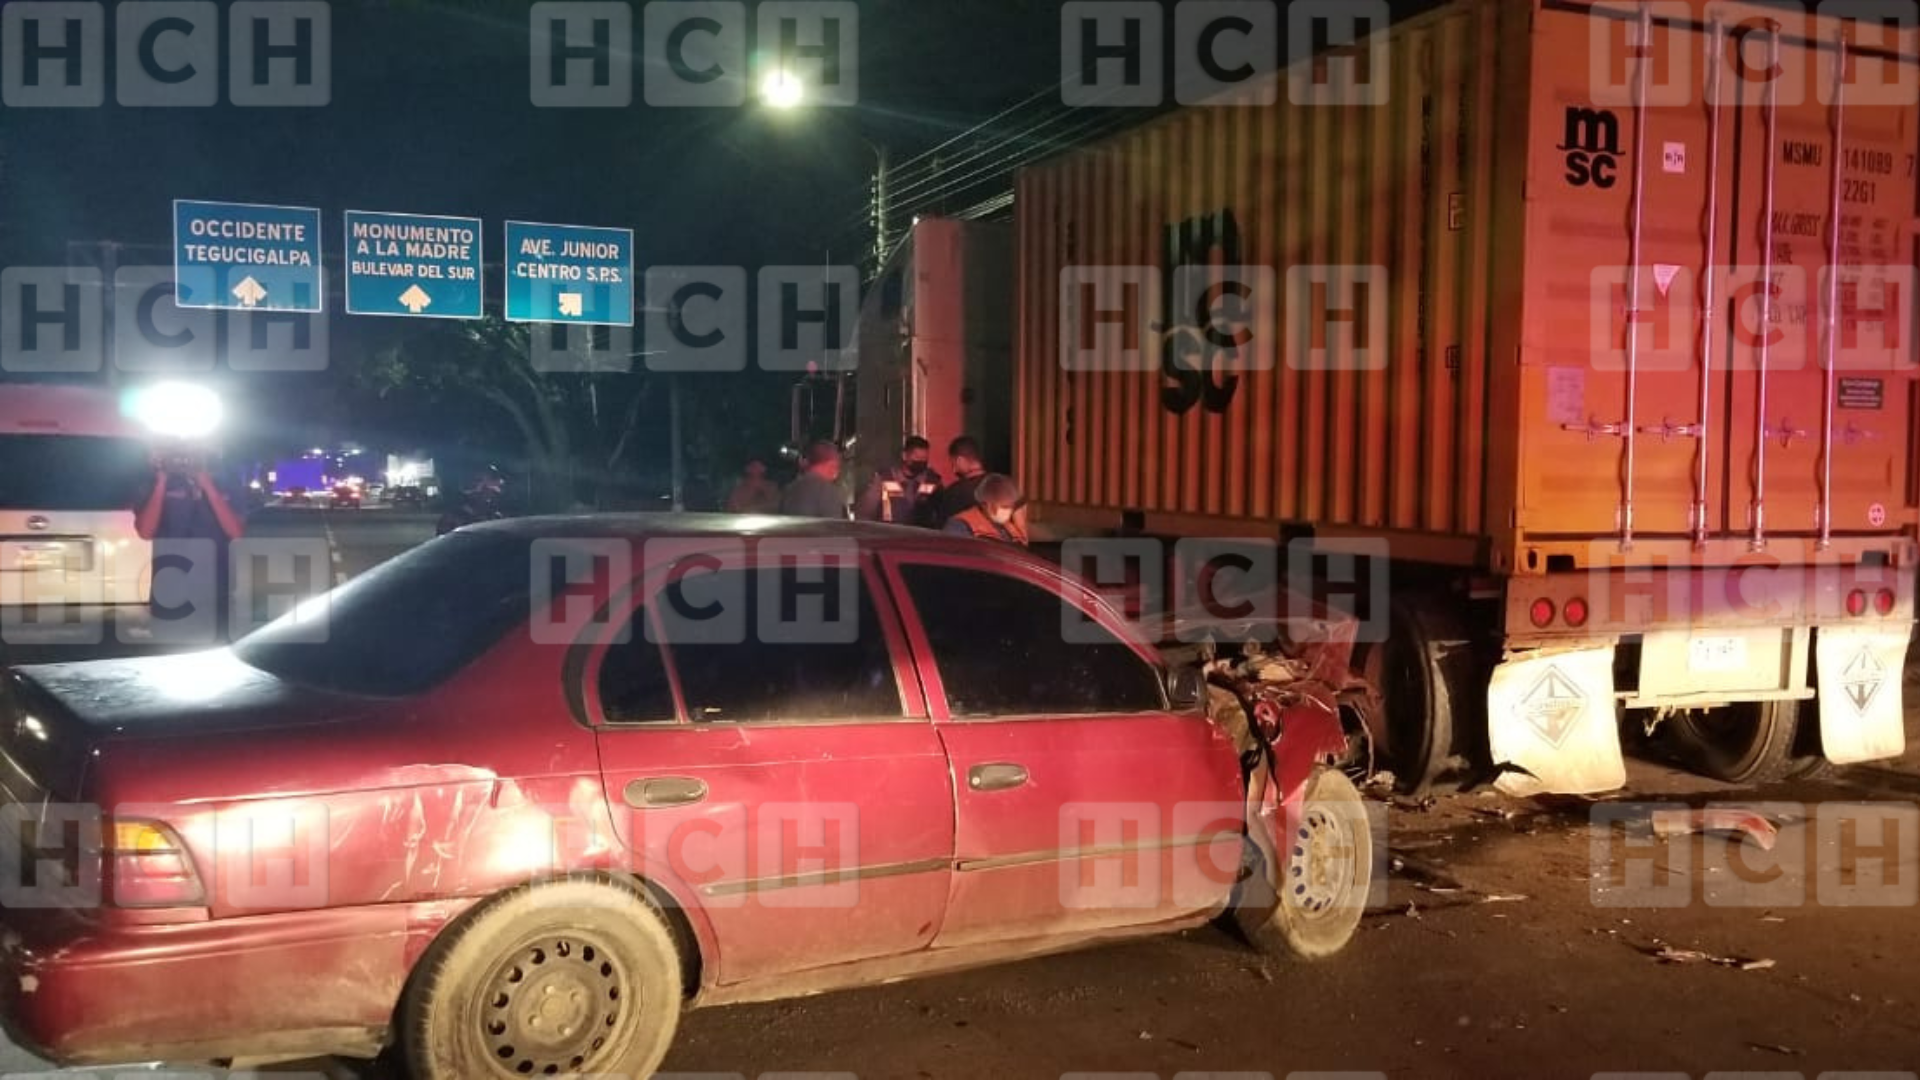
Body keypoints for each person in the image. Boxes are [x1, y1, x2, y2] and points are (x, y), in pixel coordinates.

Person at [134, 447, 246, 641]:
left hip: (215, 592)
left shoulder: (227, 484)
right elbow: (145, 532)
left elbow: (236, 531)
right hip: (169, 592)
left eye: (194, 450)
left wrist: (207, 484)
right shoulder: (151, 484)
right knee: (169, 651)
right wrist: (161, 482)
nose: (186, 458)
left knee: (215, 651)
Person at [855, 436, 943, 525]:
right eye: (917, 457)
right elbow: (864, 514)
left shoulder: (933, 481)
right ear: (904, 456)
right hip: (889, 532)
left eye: (924, 458)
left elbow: (942, 515)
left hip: (922, 533)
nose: (920, 461)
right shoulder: (883, 479)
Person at [943, 473, 1029, 546]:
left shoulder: (1010, 529)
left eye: (1010, 506)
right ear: (986, 504)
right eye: (1004, 506)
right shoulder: (960, 524)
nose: (1008, 511)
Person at [927, 435, 989, 528]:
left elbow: (942, 527)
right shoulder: (1000, 485)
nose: (953, 469)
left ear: (960, 460)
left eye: (953, 463)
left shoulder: (954, 492)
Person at [780, 440, 848, 519]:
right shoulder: (828, 491)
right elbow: (833, 525)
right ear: (832, 464)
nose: (838, 471)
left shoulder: (789, 488)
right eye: (837, 466)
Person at [437, 467, 507, 536]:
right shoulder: (453, 518)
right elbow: (444, 541)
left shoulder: (496, 517)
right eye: (478, 481)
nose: (487, 492)